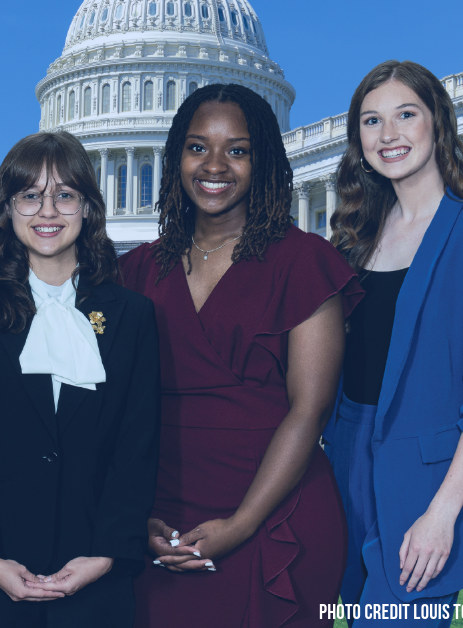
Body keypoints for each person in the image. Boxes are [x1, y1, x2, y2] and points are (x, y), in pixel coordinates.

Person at [119, 83, 363, 627]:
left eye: (238, 150)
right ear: (175, 156)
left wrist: (243, 522)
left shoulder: (304, 261)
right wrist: (135, 514)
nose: (215, 165)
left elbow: (310, 408)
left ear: (264, 161)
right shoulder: (135, 271)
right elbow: (114, 410)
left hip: (276, 513)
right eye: (197, 146)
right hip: (158, 517)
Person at [324, 60, 463, 627]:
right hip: (343, 471)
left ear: (437, 122)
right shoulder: (350, 241)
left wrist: (443, 512)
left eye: (405, 115)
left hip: (423, 484)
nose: (388, 135)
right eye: (371, 121)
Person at [0, 131, 160, 628]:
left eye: (65, 195)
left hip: (96, 572)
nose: (47, 211)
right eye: (30, 196)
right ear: (8, 209)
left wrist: (107, 554)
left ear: (87, 207)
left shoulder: (134, 315)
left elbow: (136, 449)